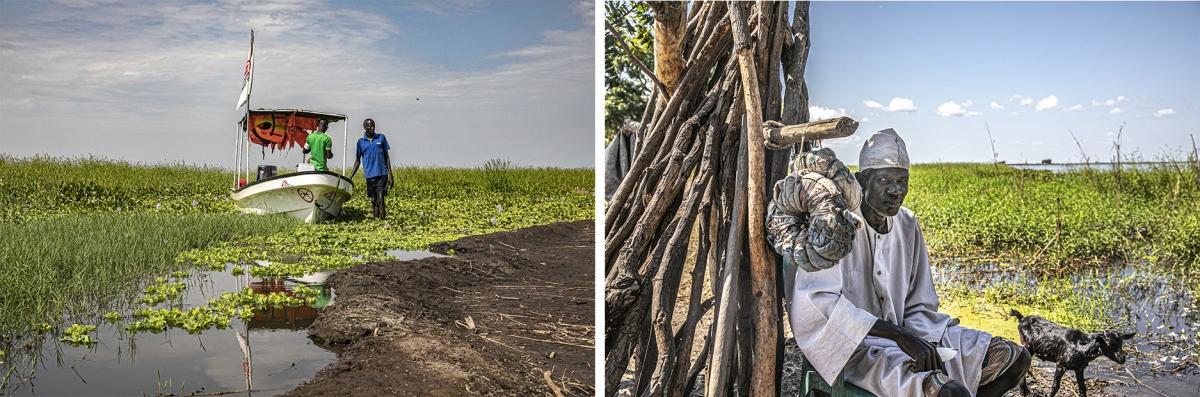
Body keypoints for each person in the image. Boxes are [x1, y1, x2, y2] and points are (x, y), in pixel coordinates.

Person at [781, 129, 1030, 397]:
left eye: (903, 181)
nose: (895, 191)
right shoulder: (836, 226)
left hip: (910, 334)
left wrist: (921, 337)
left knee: (1013, 359)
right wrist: (898, 336)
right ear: (862, 180)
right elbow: (820, 306)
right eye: (885, 180)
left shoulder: (907, 223)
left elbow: (919, 301)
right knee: (950, 392)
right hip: (854, 347)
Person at [348, 118, 393, 219]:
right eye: (369, 126)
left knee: (381, 199)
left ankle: (382, 221)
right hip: (370, 175)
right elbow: (357, 160)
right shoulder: (360, 142)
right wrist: (351, 176)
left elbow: (387, 157)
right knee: (374, 201)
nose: (372, 127)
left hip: (382, 174)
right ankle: (376, 219)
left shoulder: (381, 138)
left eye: (373, 125)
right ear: (364, 127)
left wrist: (391, 175)